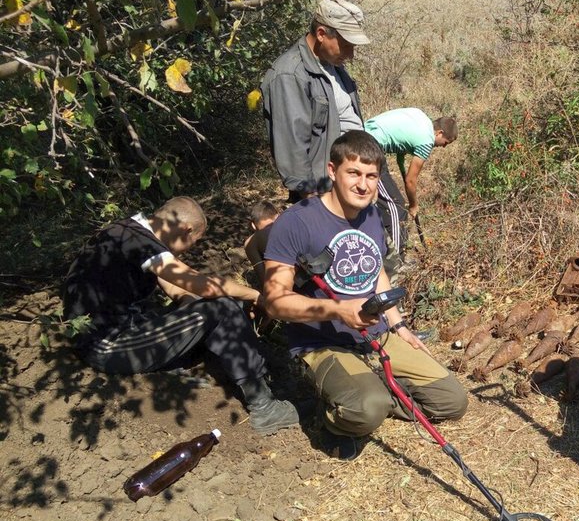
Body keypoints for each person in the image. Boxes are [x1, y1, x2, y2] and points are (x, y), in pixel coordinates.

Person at [261, 131, 468, 459]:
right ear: (332, 171)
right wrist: (337, 310)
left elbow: (377, 270)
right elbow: (274, 301)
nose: (363, 184)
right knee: (368, 410)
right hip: (323, 342)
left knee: (452, 401)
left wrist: (398, 325)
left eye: (371, 176)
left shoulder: (371, 213)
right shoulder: (296, 222)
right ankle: (338, 414)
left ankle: (374, 388)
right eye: (353, 173)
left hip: (376, 335)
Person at [62, 197, 301, 435]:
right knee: (221, 308)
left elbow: (176, 288)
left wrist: (194, 305)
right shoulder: (140, 242)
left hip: (131, 326)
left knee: (220, 305)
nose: (189, 249)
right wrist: (255, 296)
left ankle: (250, 369)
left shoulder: (130, 232)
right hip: (108, 346)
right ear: (186, 230)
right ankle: (265, 408)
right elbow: (201, 284)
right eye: (194, 242)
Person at [259, 0, 407, 257]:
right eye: (346, 45)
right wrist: (312, 200)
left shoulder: (333, 67)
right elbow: (291, 144)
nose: (351, 54)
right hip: (324, 188)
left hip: (353, 173)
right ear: (321, 33)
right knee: (334, 259)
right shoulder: (290, 74)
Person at [364, 109, 458, 218]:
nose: (444, 146)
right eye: (446, 142)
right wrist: (414, 205)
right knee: (397, 205)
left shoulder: (421, 116)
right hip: (369, 146)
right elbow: (410, 181)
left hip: (361, 131)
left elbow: (400, 133)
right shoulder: (427, 141)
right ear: (439, 133)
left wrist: (401, 162)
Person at [243, 200, 281, 285]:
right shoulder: (292, 222)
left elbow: (264, 278)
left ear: (252, 225)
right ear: (277, 215)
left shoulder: (251, 242)